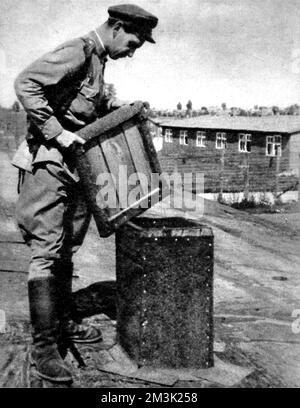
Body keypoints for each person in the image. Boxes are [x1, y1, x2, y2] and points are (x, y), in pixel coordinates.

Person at [12, 4, 158, 384]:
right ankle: (44, 348)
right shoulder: (78, 51)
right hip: (49, 167)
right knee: (46, 252)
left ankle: (61, 321)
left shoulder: (97, 61)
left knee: (66, 248)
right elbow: (26, 83)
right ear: (117, 26)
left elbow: (83, 106)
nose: (133, 51)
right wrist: (55, 131)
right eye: (133, 41)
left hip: (75, 170)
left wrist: (120, 108)